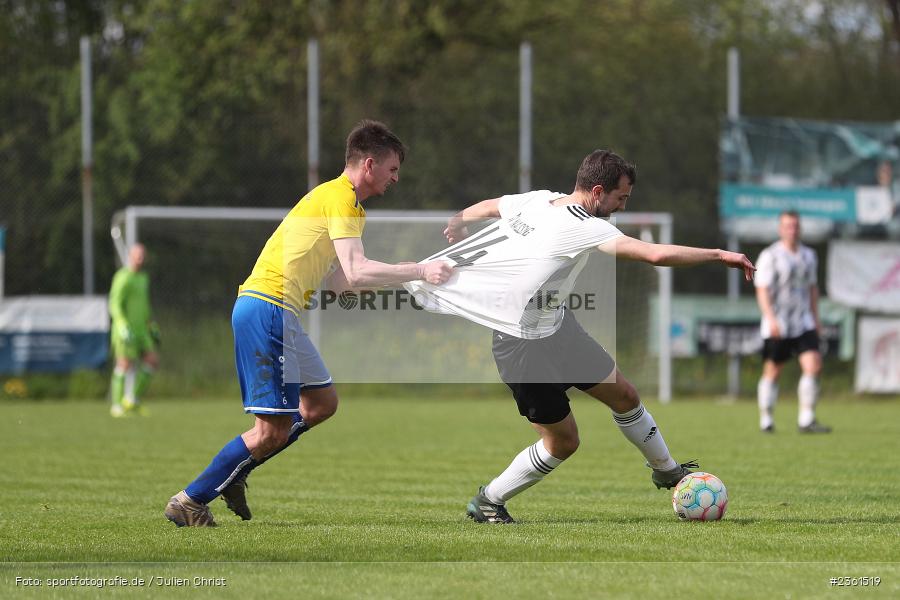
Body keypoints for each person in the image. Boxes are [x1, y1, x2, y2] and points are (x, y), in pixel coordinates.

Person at [404, 149, 755, 523]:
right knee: (563, 442)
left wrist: (458, 221)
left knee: (625, 395)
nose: (621, 206)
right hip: (521, 347)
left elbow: (492, 206)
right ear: (598, 191)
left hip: (558, 327)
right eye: (621, 198)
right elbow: (652, 255)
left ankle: (668, 470)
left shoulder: (537, 200)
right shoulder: (587, 225)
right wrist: (718, 255)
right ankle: (488, 500)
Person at [164, 120, 453, 527]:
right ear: (369, 165)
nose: (396, 178)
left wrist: (409, 280)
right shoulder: (341, 198)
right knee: (269, 433)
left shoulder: (340, 202)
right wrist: (419, 271)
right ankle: (190, 501)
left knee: (320, 404)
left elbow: (339, 282)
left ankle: (238, 469)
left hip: (281, 312)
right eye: (392, 169)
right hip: (268, 308)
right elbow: (355, 273)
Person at [754, 211, 830, 434]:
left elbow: (812, 288)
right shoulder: (771, 255)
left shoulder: (809, 255)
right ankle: (766, 419)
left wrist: (816, 318)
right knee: (773, 371)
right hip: (779, 322)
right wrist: (771, 318)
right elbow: (762, 289)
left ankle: (806, 419)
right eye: (788, 226)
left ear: (800, 228)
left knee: (813, 364)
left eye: (795, 226)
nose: (792, 230)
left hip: (803, 320)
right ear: (781, 229)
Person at [108, 243, 159, 417]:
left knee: (152, 360)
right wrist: (121, 324)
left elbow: (143, 304)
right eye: (137, 255)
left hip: (142, 330)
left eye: (142, 255)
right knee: (124, 364)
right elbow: (114, 303)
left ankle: (132, 400)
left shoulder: (143, 278)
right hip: (126, 330)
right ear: (130, 256)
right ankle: (116, 406)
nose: (140, 258)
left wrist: (151, 324)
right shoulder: (123, 277)